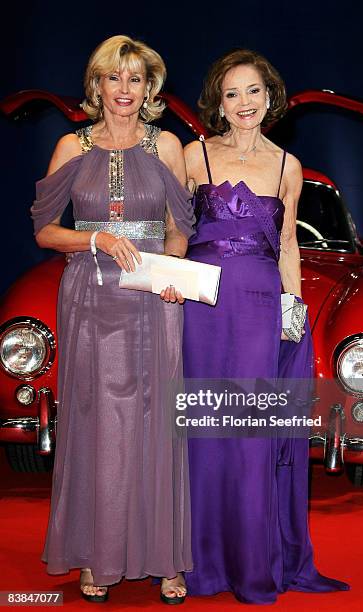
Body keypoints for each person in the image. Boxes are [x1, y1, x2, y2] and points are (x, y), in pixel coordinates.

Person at [31, 35, 195, 604]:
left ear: (150, 89)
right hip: (91, 296)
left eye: (136, 80)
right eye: (113, 78)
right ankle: (95, 556)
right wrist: (95, 236)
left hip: (154, 299)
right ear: (96, 85)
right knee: (97, 425)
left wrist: (172, 269)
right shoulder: (70, 147)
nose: (124, 90)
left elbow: (180, 227)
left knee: (156, 426)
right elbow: (44, 230)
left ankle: (165, 556)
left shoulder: (168, 146)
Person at [183, 49, 350, 604]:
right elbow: (174, 235)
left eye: (253, 91)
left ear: (270, 97)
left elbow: (286, 245)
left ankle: (254, 563)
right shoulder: (194, 156)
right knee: (204, 432)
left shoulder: (288, 166)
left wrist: (293, 310)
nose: (244, 103)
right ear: (218, 103)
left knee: (251, 434)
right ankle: (201, 563)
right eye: (232, 93)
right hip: (201, 310)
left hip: (259, 306)